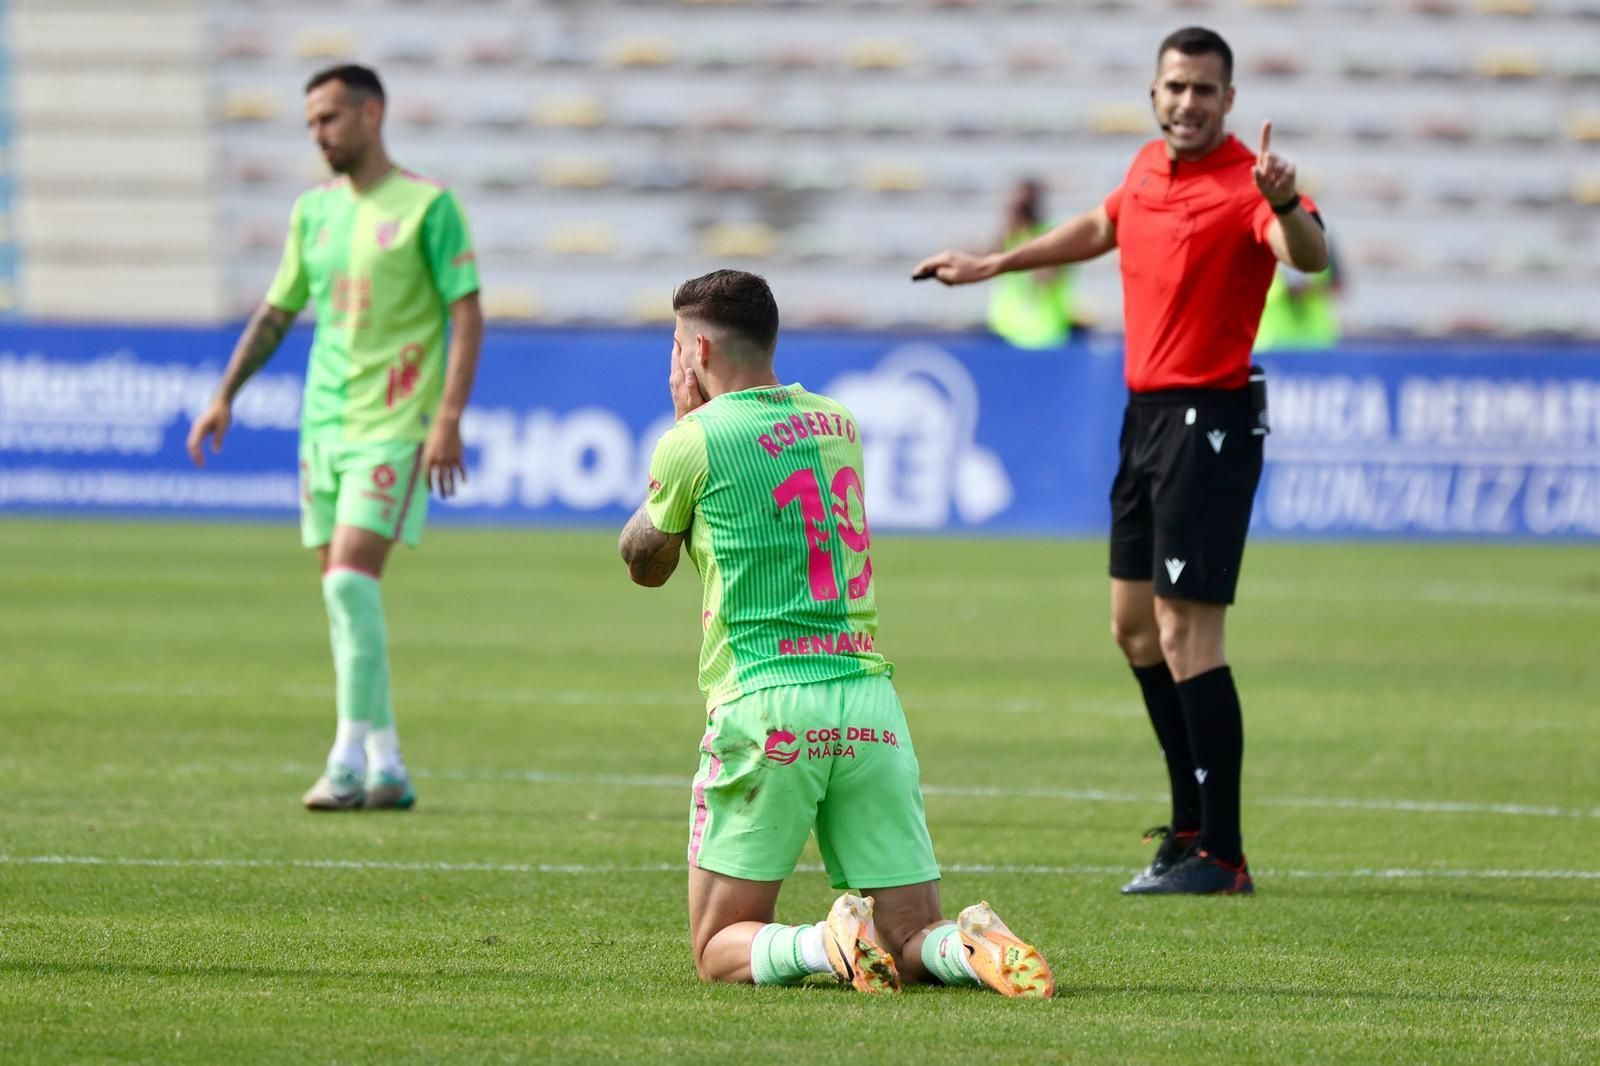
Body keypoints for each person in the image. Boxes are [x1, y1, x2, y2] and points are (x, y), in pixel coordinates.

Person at [913, 27, 1329, 895]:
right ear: (1154, 93)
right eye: (1176, 87)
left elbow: (1307, 258)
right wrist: (996, 263)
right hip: (1145, 419)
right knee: (1135, 628)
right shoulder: (1146, 168)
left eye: (1205, 90)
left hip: (1208, 420)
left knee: (1187, 631)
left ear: (1229, 102)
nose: (1188, 102)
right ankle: (1186, 825)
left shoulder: (1248, 187)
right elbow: (1104, 223)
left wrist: (1286, 203)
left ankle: (1224, 852)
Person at [618, 269, 1053, 994]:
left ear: (695, 348)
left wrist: (678, 430)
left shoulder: (693, 440)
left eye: (674, 345)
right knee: (911, 934)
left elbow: (644, 563)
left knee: (718, 945)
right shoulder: (838, 422)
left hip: (770, 708)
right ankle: (967, 947)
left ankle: (824, 944)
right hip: (867, 704)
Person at [186, 64, 484, 812]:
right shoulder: (312, 214)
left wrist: (447, 416)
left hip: (395, 424)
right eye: (310, 123)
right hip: (323, 425)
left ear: (371, 113)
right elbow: (278, 311)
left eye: (328, 118)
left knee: (350, 579)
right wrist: (224, 394)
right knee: (343, 592)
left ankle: (346, 759)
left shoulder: (427, 206)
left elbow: (467, 312)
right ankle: (387, 762)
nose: (317, 134)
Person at [986, 178, 1077, 349]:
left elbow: (1044, 278)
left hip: (1044, 336)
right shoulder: (1010, 238)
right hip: (1006, 333)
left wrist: (1028, 240)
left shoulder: (1053, 238)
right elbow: (983, 263)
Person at [1254, 243, 1345, 352]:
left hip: (1317, 340)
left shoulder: (1323, 239)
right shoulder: (1269, 238)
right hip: (1276, 342)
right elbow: (1294, 290)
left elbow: (1339, 285)